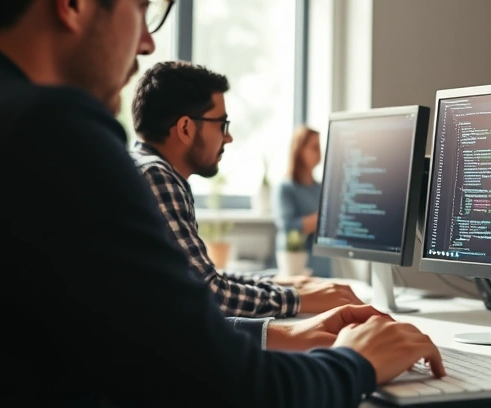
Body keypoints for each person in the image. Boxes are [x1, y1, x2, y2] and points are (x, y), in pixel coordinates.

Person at [0, 0, 443, 406]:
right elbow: (232, 393)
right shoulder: (46, 135)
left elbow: (132, 340)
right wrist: (358, 360)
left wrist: (271, 334)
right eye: (142, 1)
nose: (147, 42)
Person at [130, 60, 363, 317]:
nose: (228, 137)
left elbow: (203, 278)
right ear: (185, 128)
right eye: (222, 124)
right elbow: (211, 294)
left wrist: (279, 282)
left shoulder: (145, 168)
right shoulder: (156, 176)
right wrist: (296, 299)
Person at [277, 125, 334, 277]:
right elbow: (287, 227)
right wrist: (318, 220)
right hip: (295, 264)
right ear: (300, 150)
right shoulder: (286, 188)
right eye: (314, 147)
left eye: (319, 147)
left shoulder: (322, 188)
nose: (319, 152)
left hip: (322, 264)